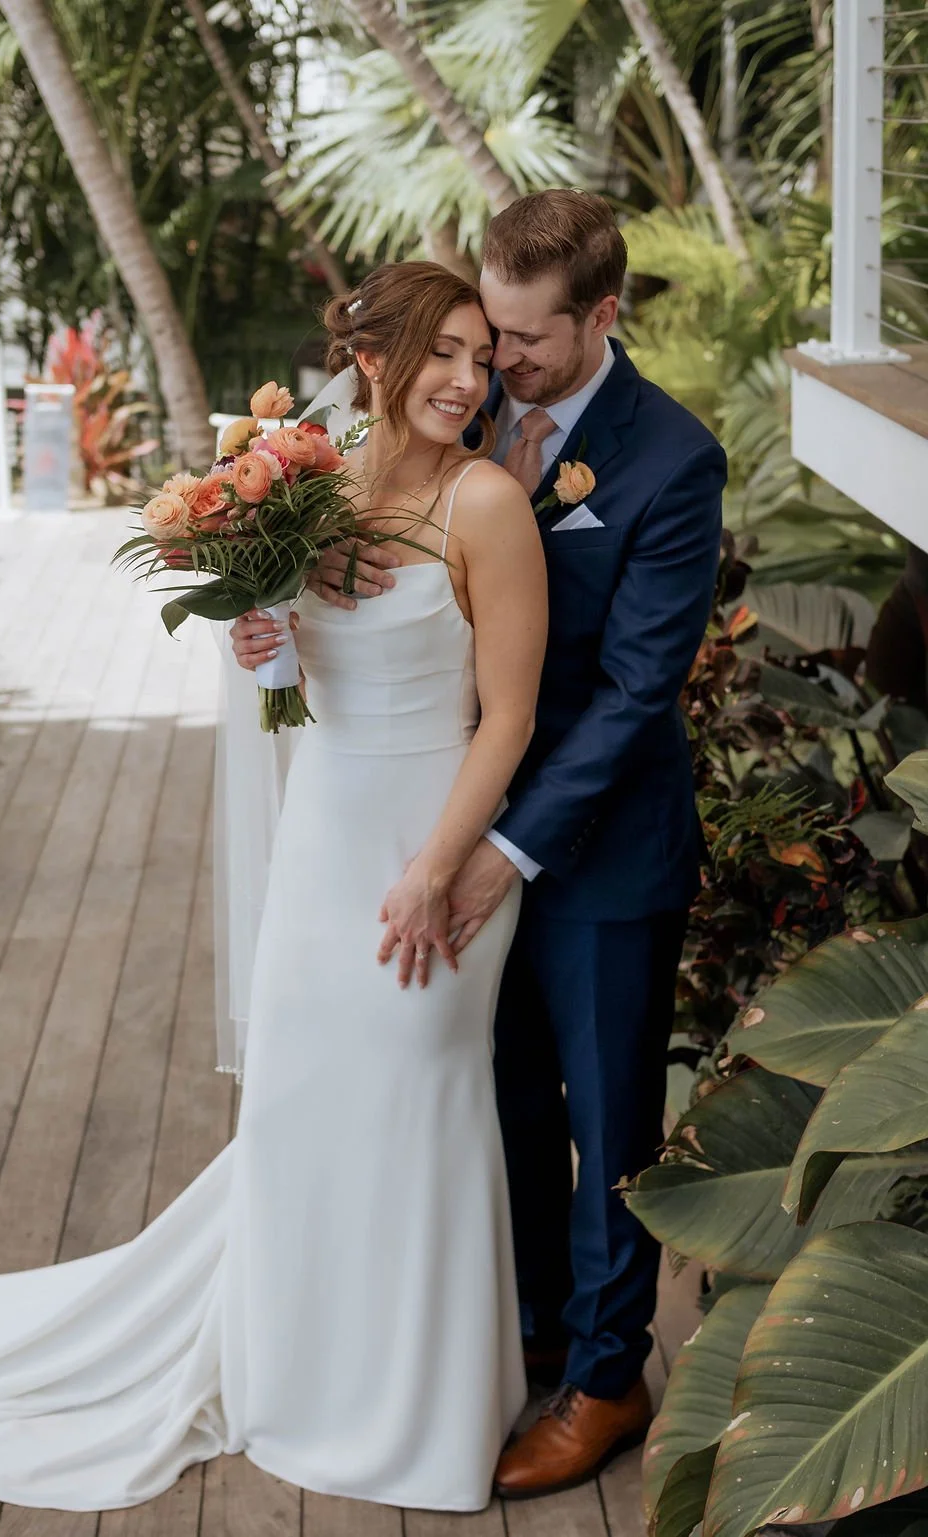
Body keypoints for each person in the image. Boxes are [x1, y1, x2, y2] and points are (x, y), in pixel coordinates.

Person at [0, 263, 548, 1515]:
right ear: (375, 359)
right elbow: (289, 676)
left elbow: (510, 718)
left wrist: (431, 872)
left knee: (419, 1101)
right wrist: (259, 639)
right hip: (324, 833)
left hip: (436, 848)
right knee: (309, 1110)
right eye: (445, 354)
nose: (470, 382)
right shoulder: (313, 476)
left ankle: (419, 1407)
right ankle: (300, 1377)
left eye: (482, 358)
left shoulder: (487, 505)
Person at [234, 189, 726, 1499]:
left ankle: (612, 1380)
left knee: (610, 1113)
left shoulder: (673, 460)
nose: (495, 366)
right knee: (497, 1102)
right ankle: (527, 1338)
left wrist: (493, 854)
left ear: (601, 317)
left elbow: (630, 696)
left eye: (520, 340)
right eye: (479, 337)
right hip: (437, 812)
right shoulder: (448, 413)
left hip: (592, 842)